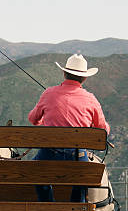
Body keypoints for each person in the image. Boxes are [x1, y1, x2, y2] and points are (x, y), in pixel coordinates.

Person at [28, 54, 110, 202]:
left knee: (35, 171)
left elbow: (33, 119)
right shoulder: (90, 99)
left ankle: (48, 206)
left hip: (49, 153)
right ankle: (77, 210)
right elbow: (103, 130)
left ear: (64, 73)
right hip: (77, 156)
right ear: (84, 78)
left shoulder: (48, 93)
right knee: (84, 177)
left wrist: (45, 123)